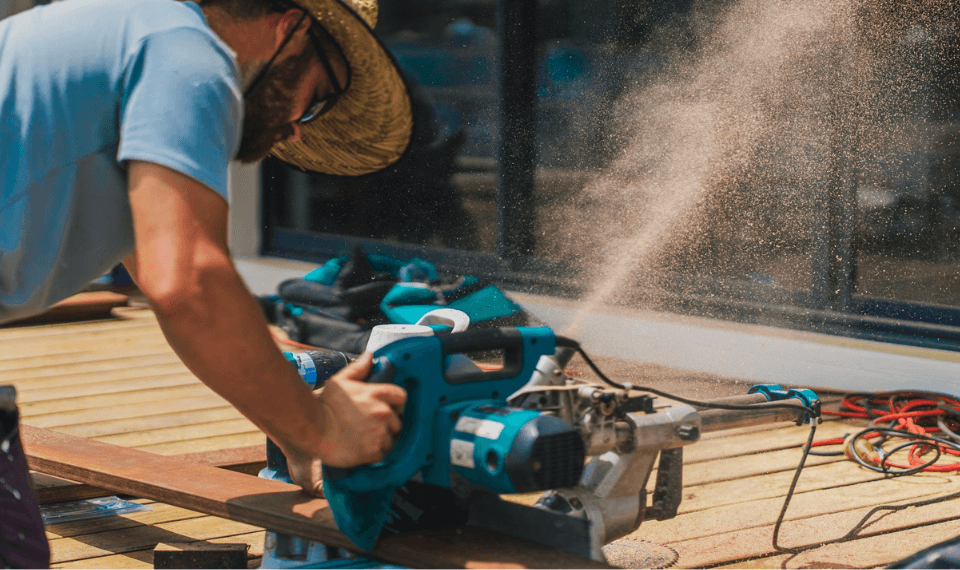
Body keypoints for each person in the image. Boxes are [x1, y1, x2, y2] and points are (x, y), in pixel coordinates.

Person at [0, 0, 413, 565]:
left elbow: (168, 271)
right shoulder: (186, 50)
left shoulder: (134, 35)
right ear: (290, 29)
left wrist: (292, 431)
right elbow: (191, 284)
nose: (295, 130)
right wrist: (323, 427)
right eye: (316, 99)